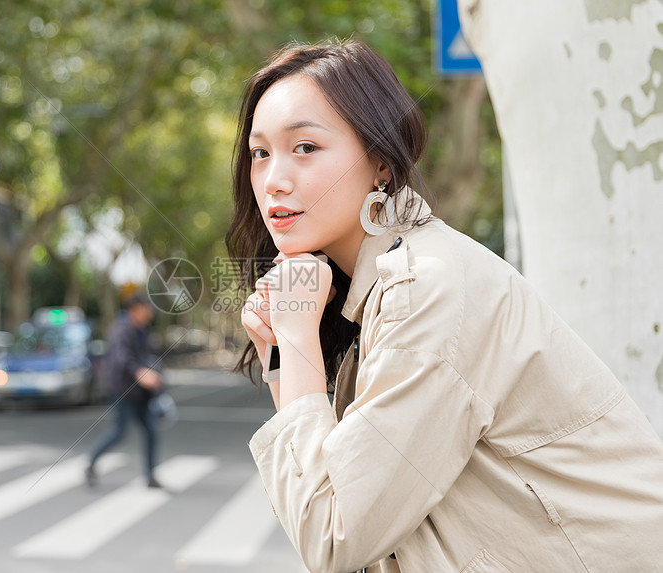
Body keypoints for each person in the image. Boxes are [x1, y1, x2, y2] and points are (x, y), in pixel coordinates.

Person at [228, 39, 663, 573]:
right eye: (260, 153)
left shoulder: (426, 287)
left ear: (381, 164)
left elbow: (335, 536)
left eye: (306, 148)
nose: (273, 180)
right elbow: (318, 502)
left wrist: (294, 338)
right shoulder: (373, 286)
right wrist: (280, 352)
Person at [86, 296, 164, 488]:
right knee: (119, 432)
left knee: (151, 432)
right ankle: (91, 462)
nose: (150, 313)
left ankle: (150, 475)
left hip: (142, 394)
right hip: (123, 392)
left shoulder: (142, 331)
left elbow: (146, 357)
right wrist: (140, 372)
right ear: (136, 309)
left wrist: (154, 375)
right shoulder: (121, 331)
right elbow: (123, 359)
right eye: (147, 309)